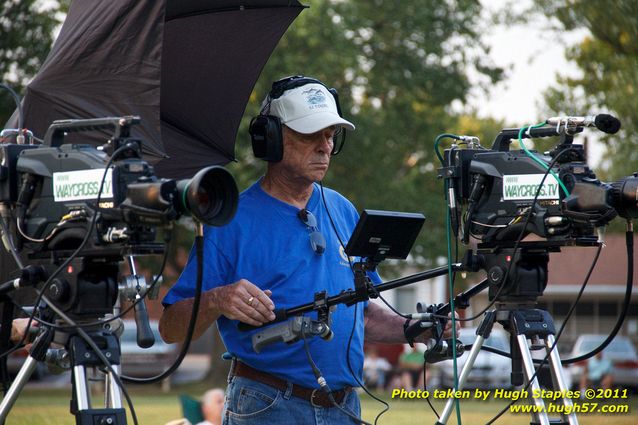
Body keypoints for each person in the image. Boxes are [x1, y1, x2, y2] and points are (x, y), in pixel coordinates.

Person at [159, 75, 458, 424]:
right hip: (267, 406)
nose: (325, 146)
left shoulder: (341, 209)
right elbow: (170, 328)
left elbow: (358, 313)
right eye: (310, 134)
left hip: (345, 406)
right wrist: (218, 299)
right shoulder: (229, 221)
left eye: (330, 135)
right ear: (270, 139)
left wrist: (413, 327)